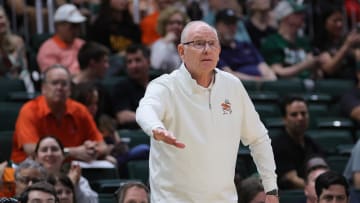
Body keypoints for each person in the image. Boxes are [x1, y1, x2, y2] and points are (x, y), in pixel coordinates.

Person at [136, 20, 278, 202]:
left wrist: (271, 188)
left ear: (219, 50)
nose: (207, 49)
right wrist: (155, 128)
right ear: (181, 51)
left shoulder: (232, 85)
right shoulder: (165, 86)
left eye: (212, 43)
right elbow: (146, 109)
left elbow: (258, 138)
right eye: (198, 43)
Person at [11, 64, 107, 164]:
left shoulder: (79, 110)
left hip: (71, 167)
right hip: (32, 170)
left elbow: (103, 146)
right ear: (43, 88)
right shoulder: (30, 110)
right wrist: (73, 152)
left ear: (70, 89)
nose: (59, 87)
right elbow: (32, 150)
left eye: (64, 84)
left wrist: (91, 149)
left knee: (110, 161)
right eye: (54, 83)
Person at [271, 95, 323, 190]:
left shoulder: (312, 144)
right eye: (294, 115)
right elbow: (293, 181)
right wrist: (320, 189)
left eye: (303, 113)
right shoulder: (278, 145)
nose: (300, 118)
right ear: (284, 119)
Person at [260, 0, 320, 79]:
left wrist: (315, 65)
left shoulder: (303, 42)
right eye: (297, 13)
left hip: (308, 87)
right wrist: (305, 65)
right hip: (285, 88)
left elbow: (318, 74)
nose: (303, 16)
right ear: (286, 16)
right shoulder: (272, 42)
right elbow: (278, 72)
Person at [215, 8, 277, 81]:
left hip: (263, 86)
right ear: (217, 25)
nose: (231, 28)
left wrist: (270, 78)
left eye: (234, 24)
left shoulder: (246, 46)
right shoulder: (216, 50)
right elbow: (229, 75)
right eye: (227, 24)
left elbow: (264, 67)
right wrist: (258, 81)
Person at [34, 136, 98, 203]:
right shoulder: (29, 179)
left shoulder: (78, 179)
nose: (49, 154)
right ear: (36, 157)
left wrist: (74, 186)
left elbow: (91, 201)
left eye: (54, 149)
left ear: (63, 155)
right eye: (44, 150)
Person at [36, 4, 86, 75]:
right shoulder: (48, 49)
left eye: (78, 26)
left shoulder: (82, 44)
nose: (76, 30)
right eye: (72, 26)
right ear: (59, 25)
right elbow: (54, 77)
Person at [72, 41, 113, 120]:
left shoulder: (101, 88)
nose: (107, 66)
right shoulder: (68, 89)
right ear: (92, 63)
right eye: (104, 61)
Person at [113, 44, 151, 129]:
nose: (133, 66)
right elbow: (123, 117)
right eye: (129, 62)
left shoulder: (159, 82)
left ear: (148, 62)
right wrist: (153, 119)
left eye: (138, 60)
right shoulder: (121, 87)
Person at [150, 6, 190, 73]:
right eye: (171, 23)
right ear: (164, 26)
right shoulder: (159, 44)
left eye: (179, 23)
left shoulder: (189, 45)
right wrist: (166, 42)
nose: (175, 26)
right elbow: (156, 65)